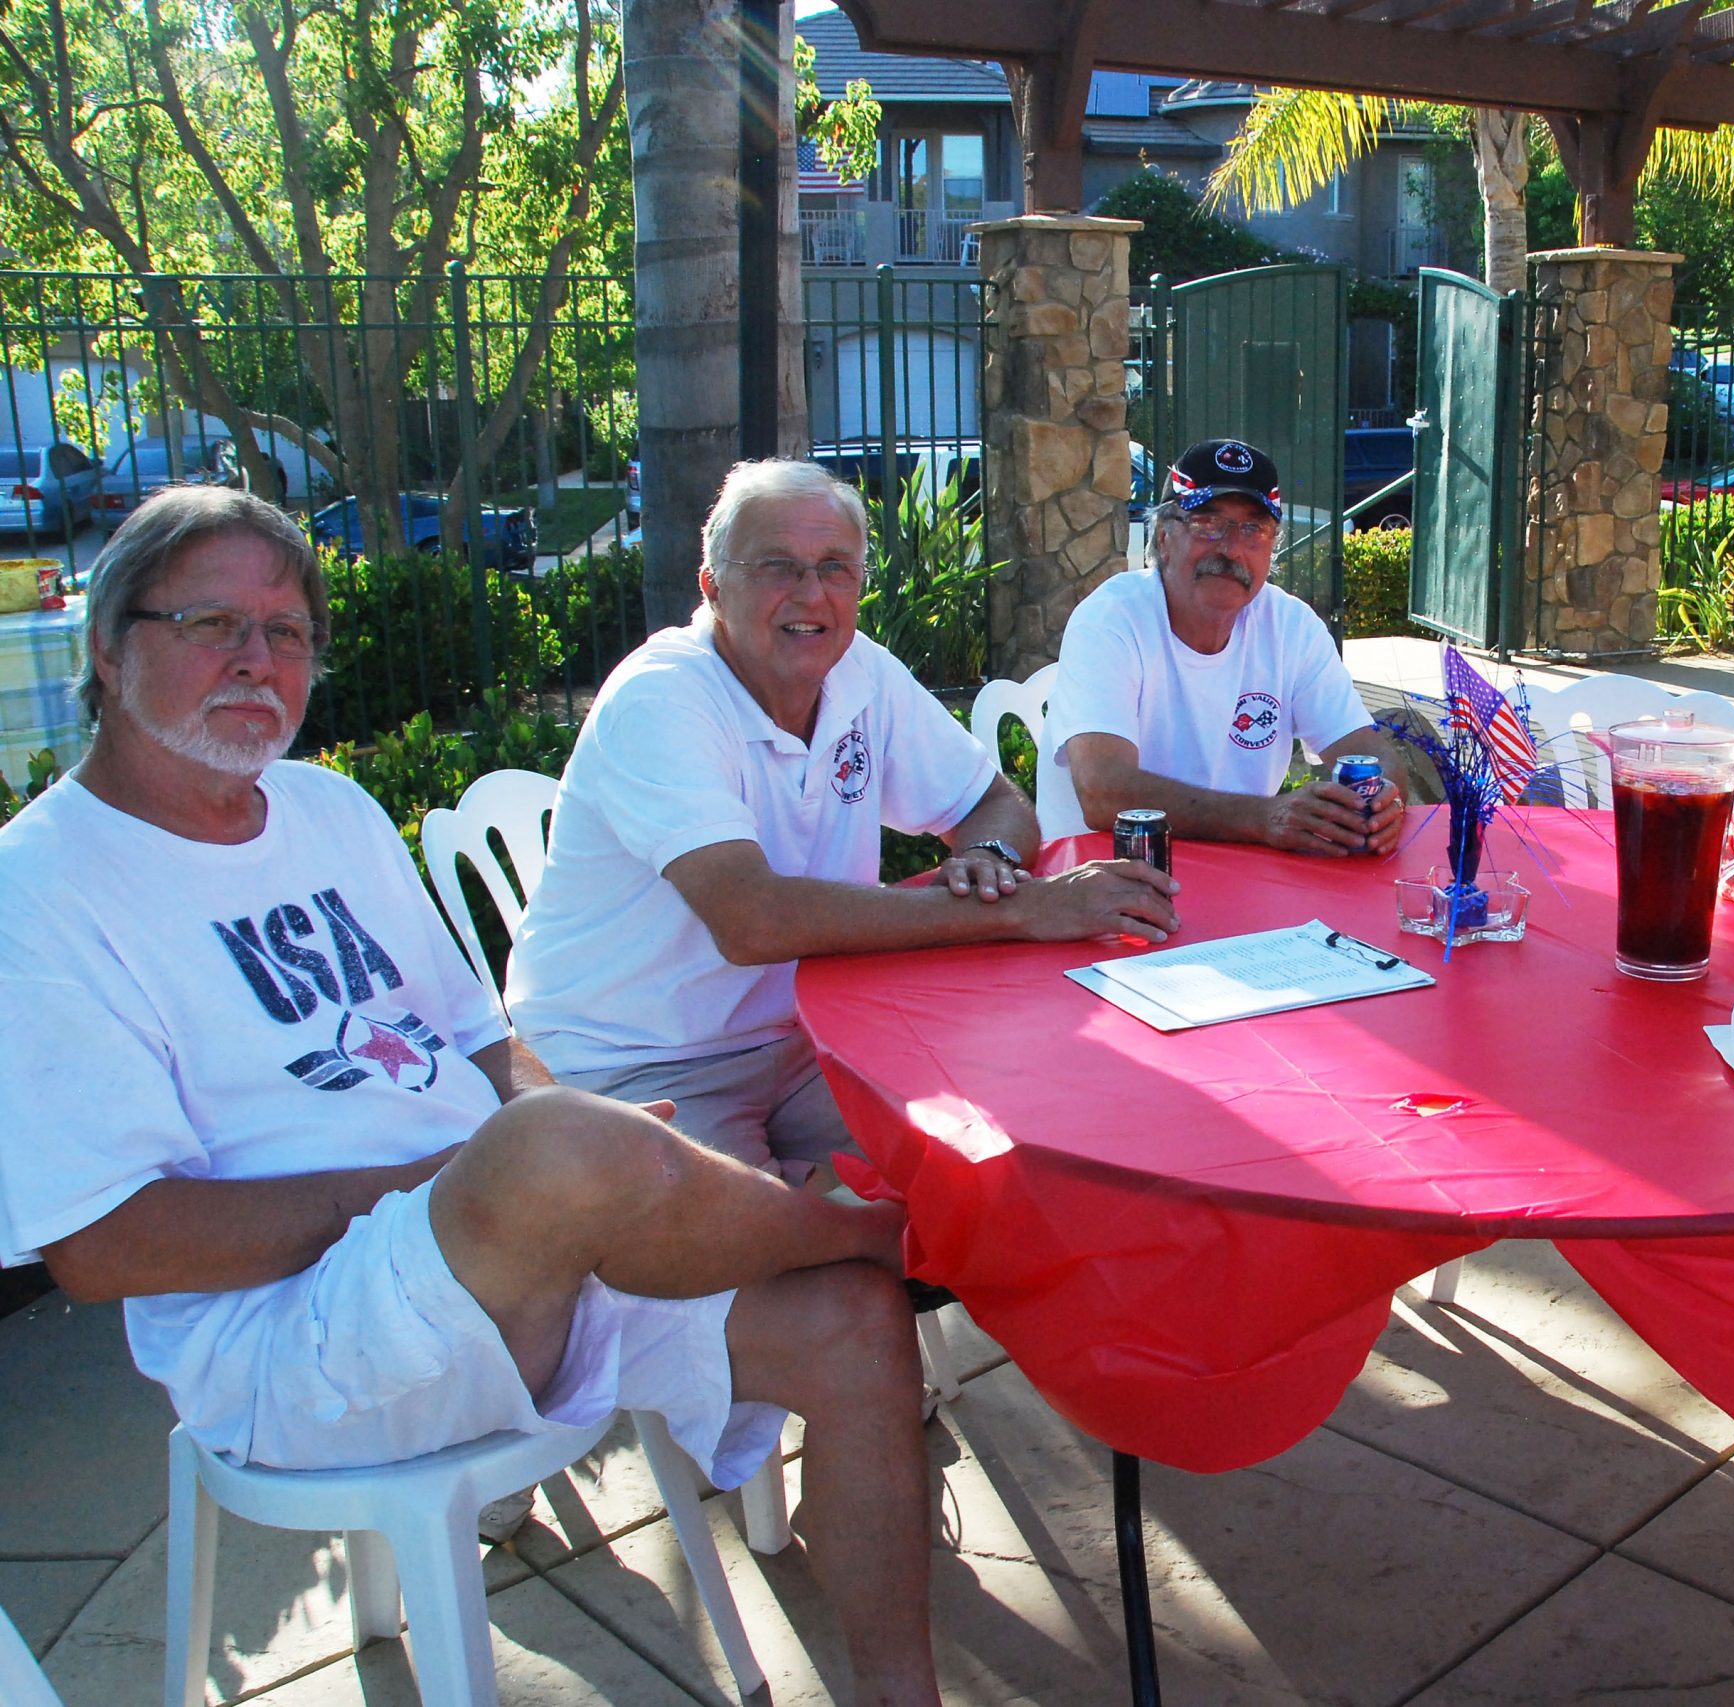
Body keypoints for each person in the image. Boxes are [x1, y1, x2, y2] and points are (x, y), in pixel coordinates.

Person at [0, 486, 942, 1703]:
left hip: (512, 1263)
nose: (256, 661)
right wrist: (497, 1177)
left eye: (286, 634)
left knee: (854, 1326)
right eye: (210, 624)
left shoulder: (328, 812)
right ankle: (883, 1225)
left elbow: (486, 1044)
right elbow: (104, 1246)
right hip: (296, 1345)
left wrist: (562, 1160)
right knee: (573, 1152)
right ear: (107, 648)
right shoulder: (39, 894)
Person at [505, 458, 1179, 1183]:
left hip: (810, 1035)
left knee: (1009, 1148)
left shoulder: (859, 669)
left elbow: (995, 804)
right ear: (711, 585)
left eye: (835, 568)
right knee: (830, 1274)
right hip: (634, 1063)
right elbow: (753, 919)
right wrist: (1023, 910)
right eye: (777, 567)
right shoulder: (660, 699)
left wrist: (991, 862)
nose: (810, 593)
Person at [1044, 437, 1409, 856]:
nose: (1232, 547)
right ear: (1162, 537)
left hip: (1243, 869)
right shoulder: (1111, 619)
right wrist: (1264, 818)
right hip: (1102, 876)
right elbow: (1103, 791)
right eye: (1207, 523)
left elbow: (1369, 751)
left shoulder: (1291, 625)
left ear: (1272, 546)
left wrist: (1382, 801)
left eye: (1254, 528)